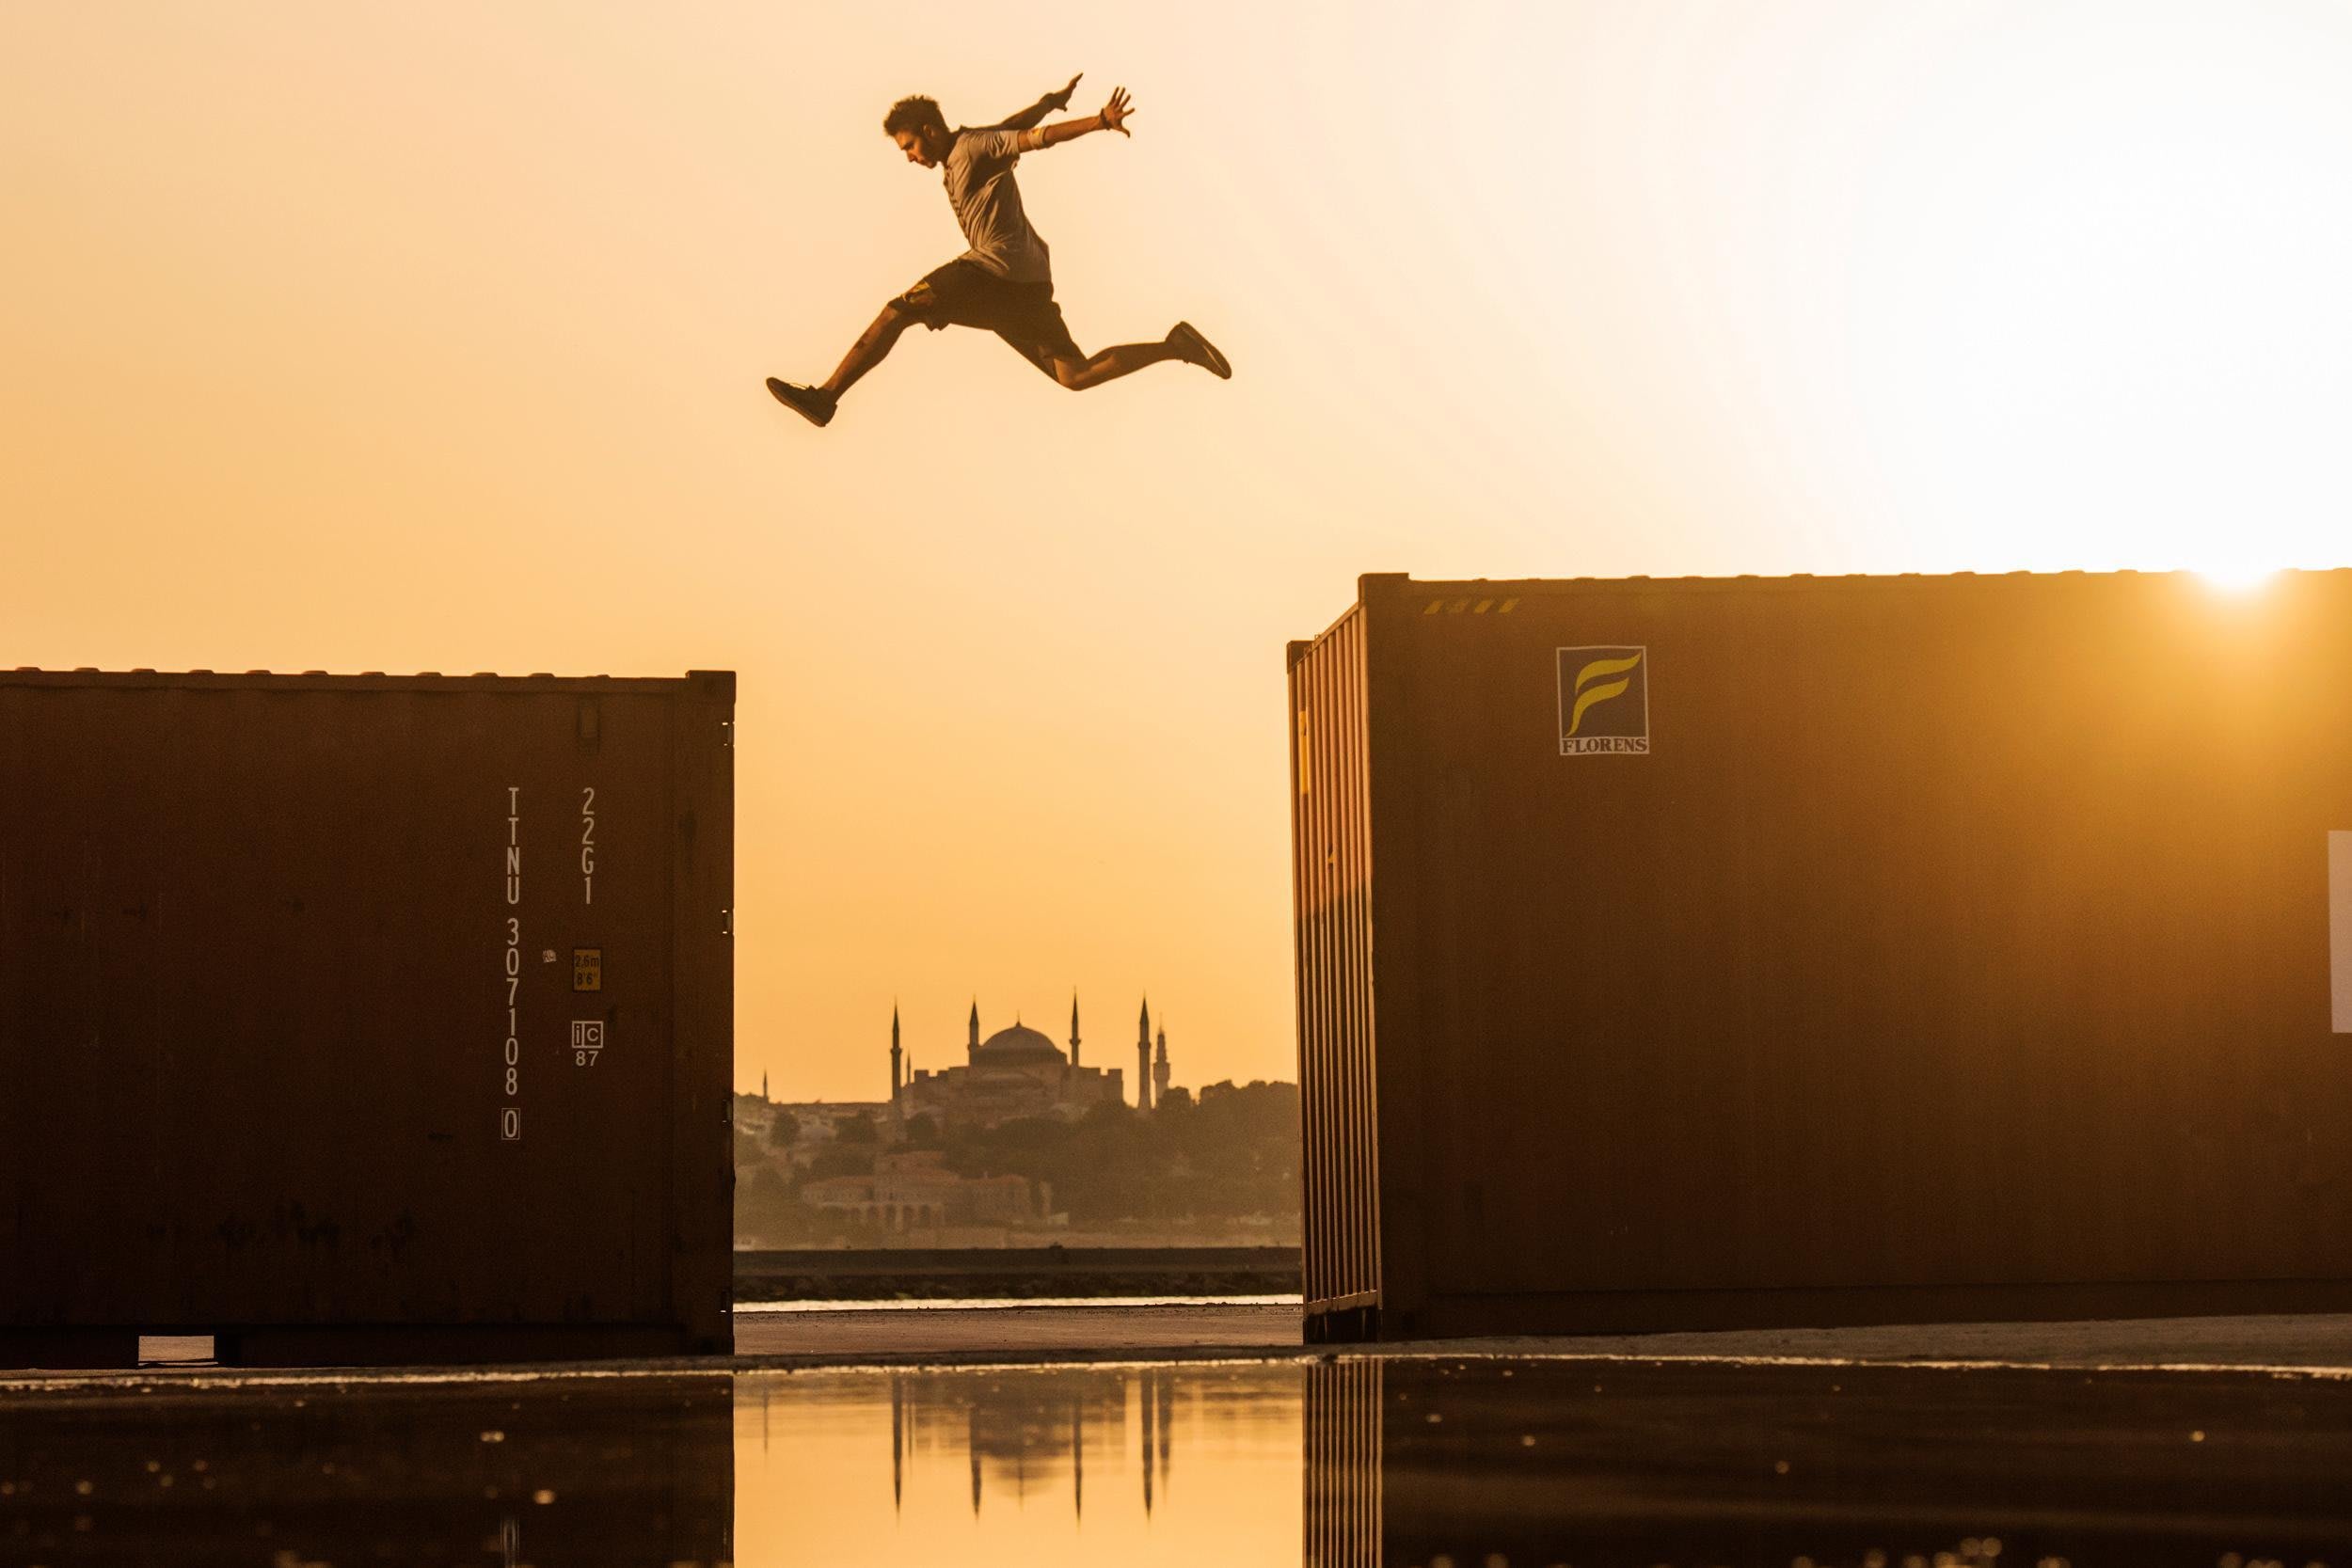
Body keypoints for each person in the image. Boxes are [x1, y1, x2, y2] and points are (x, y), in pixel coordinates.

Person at [766, 75, 1231, 428]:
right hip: (1027, 282)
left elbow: (1034, 139)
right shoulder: (970, 148)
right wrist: (1047, 103)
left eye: (909, 146)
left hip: (993, 269)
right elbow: (1012, 127)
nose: (909, 157)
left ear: (929, 131)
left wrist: (1098, 122)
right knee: (1075, 375)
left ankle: (825, 398)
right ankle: (1175, 347)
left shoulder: (971, 148)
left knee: (895, 313)